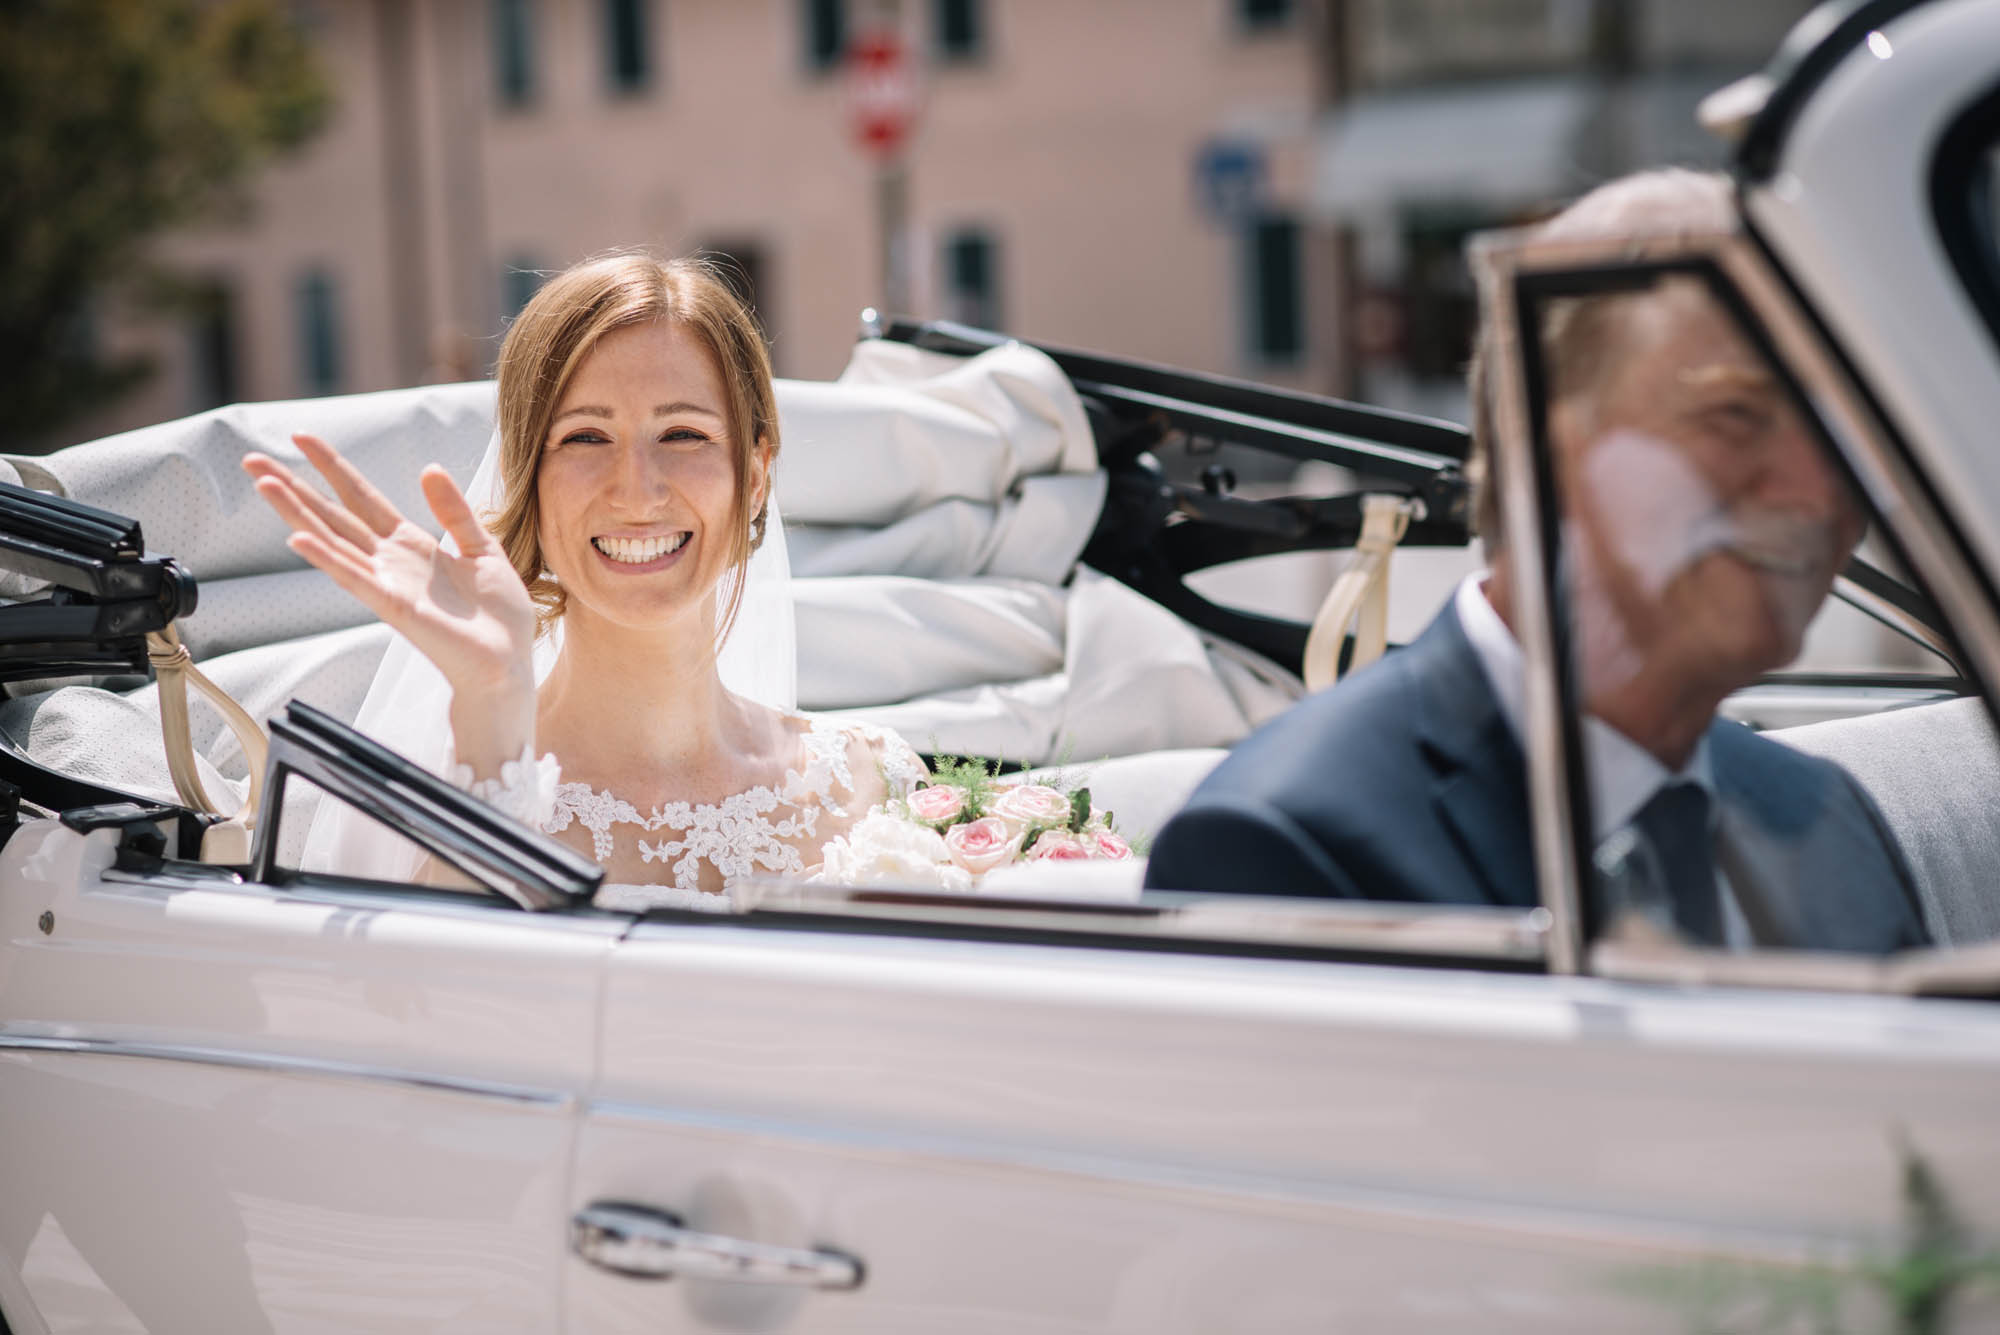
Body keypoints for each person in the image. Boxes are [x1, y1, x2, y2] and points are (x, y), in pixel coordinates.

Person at [1146, 169, 1930, 953]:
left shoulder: (1830, 818)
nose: (1818, 489)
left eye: (1840, 427)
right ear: (1547, 452)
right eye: (1735, 415)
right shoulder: (1286, 851)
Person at [244, 253, 923, 899]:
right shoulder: (447, 797)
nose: (637, 491)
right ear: (526, 480)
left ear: (755, 477)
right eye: (585, 438)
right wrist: (492, 699)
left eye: (683, 434)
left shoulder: (876, 785)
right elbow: (430, 1008)